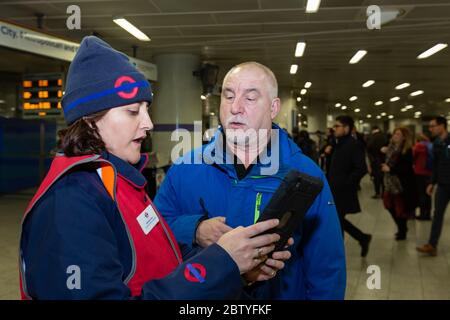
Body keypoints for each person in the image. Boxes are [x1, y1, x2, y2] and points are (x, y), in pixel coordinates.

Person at [18, 37, 291, 300]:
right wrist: (221, 262)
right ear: (89, 121)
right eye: (132, 111)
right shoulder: (70, 203)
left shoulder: (119, 182)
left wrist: (233, 266)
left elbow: (164, 259)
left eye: (147, 109)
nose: (148, 123)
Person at [154, 62, 346, 300]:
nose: (235, 107)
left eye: (250, 98)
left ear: (273, 107)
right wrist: (194, 229)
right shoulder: (186, 169)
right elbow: (154, 233)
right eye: (229, 96)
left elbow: (326, 266)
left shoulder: (305, 175)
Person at [328, 115, 371, 257]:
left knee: (337, 221)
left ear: (346, 128)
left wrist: (347, 182)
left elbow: (361, 168)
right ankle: (362, 238)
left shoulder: (354, 144)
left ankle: (337, 253)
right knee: (337, 220)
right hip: (334, 189)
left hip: (343, 191)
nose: (334, 129)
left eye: (337, 126)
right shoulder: (338, 143)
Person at [417, 116, 450, 256]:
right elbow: (436, 166)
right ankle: (432, 245)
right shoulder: (436, 143)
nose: (430, 129)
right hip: (443, 185)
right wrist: (431, 183)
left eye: (433, 126)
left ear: (442, 126)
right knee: (437, 215)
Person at [381, 127, 417, 240]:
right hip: (389, 182)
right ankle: (402, 228)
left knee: (400, 209)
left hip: (400, 183)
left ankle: (402, 230)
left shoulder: (407, 150)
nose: (394, 136)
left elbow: (406, 168)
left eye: (398, 134)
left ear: (404, 137)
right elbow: (386, 161)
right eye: (394, 134)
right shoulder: (391, 148)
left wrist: (390, 169)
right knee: (388, 205)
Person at [412, 133, 433, 220]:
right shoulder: (430, 145)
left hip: (419, 172)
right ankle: (428, 214)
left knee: (421, 193)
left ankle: (422, 214)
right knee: (428, 194)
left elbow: (412, 156)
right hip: (429, 172)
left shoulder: (418, 146)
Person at [367, 126, 387, 199]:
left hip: (375, 161)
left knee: (376, 178)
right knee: (383, 178)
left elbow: (369, 148)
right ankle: (384, 193)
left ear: (373, 130)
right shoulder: (384, 136)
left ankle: (377, 193)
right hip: (384, 160)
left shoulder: (372, 137)